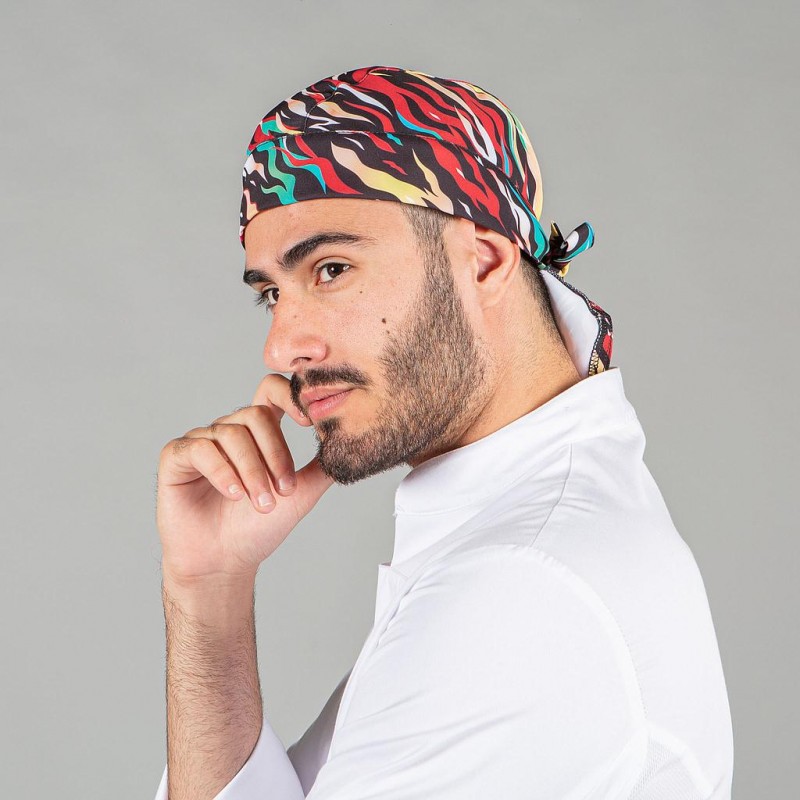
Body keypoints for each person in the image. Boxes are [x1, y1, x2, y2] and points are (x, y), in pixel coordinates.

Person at [152, 65, 734, 799]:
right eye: (272, 293)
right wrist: (208, 592)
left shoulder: (520, 590)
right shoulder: (521, 540)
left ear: (484, 261)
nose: (282, 347)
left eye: (330, 269)